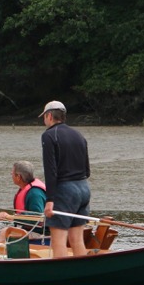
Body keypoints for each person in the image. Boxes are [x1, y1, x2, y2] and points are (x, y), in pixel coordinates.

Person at [39, 100, 92, 258]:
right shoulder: (79, 135)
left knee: (59, 241)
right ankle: (82, 276)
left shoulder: (48, 135)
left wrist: (49, 200)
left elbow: (50, 170)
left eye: (44, 117)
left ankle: (61, 280)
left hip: (65, 191)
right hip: (84, 188)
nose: (43, 121)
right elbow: (87, 169)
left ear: (49, 116)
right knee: (77, 240)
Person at [0, 160, 47, 243]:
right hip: (30, 231)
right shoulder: (28, 190)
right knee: (4, 233)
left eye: (12, 173)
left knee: (5, 232)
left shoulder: (35, 194)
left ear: (18, 177)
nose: (11, 175)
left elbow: (37, 218)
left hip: (41, 235)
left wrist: (10, 217)